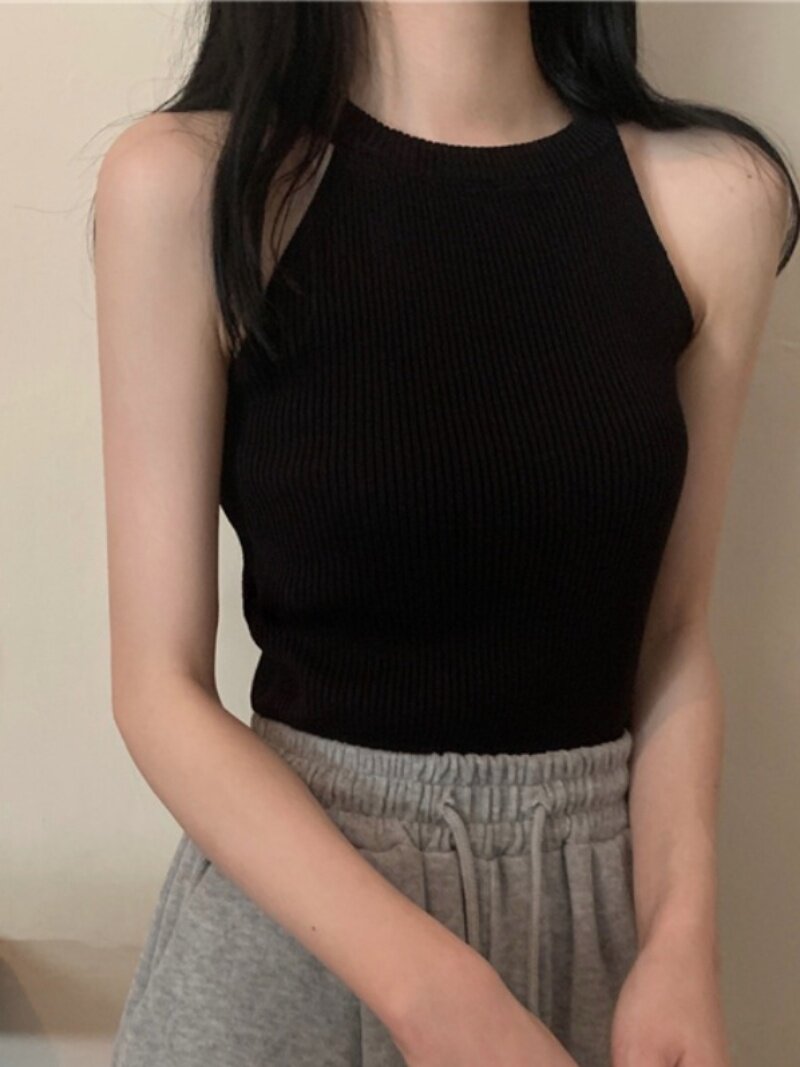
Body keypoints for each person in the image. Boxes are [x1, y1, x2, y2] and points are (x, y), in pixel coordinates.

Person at [92, 2, 797, 1065]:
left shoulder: (714, 201)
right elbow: (158, 689)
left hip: (593, 935)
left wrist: (681, 940)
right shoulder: (194, 186)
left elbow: (670, 636)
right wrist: (436, 995)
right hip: (296, 932)